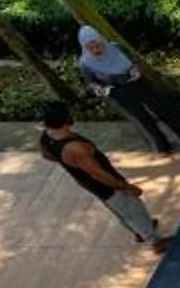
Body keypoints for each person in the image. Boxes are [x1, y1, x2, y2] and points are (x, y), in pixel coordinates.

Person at [38, 102, 161, 249]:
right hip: (107, 185)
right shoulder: (76, 147)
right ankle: (154, 240)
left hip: (89, 184)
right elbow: (98, 174)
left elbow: (46, 155)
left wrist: (70, 163)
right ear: (66, 119)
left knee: (120, 210)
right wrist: (126, 186)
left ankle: (139, 230)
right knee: (132, 207)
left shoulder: (47, 137)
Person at [75, 26, 180, 153]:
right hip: (117, 93)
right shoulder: (85, 63)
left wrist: (135, 70)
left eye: (98, 45)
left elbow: (133, 61)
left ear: (102, 40)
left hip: (137, 83)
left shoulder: (117, 48)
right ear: (85, 48)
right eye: (91, 48)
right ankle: (161, 147)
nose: (96, 50)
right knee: (141, 119)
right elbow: (91, 82)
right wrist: (98, 88)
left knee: (162, 107)